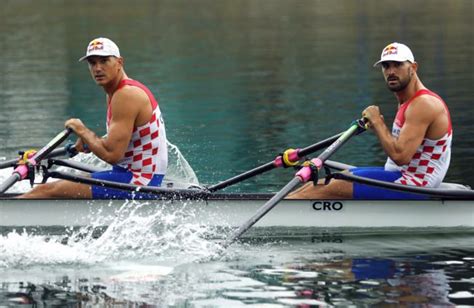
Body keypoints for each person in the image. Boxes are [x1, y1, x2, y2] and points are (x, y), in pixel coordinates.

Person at [288, 42, 452, 199]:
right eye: (386, 66)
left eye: (397, 65)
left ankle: (280, 215)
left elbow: (401, 156)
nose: (391, 71)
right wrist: (376, 126)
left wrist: (378, 123)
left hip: (415, 185)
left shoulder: (423, 104)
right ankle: (289, 206)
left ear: (413, 68)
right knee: (325, 182)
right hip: (398, 175)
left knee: (324, 188)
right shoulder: (407, 100)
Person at [19, 37, 168, 199]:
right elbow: (121, 143)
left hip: (140, 181)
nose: (98, 68)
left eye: (104, 61)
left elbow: (113, 155)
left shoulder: (127, 94)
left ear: (119, 62)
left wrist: (81, 130)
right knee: (64, 181)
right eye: (92, 63)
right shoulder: (116, 92)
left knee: (43, 191)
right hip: (128, 174)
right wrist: (88, 141)